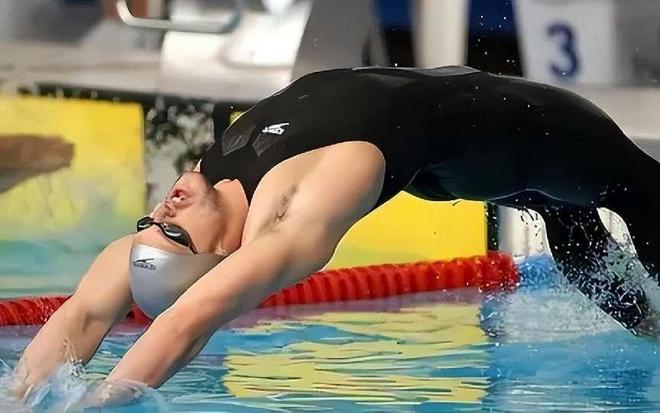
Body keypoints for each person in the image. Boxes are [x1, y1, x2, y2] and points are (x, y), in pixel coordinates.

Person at [12, 66, 660, 402]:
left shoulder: (212, 185)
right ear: (223, 257)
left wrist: (20, 398)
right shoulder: (297, 213)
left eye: (149, 223)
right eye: (175, 234)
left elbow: (88, 310)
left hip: (477, 117)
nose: (164, 208)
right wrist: (105, 403)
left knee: (575, 223)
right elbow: (184, 321)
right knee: (640, 192)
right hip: (530, 134)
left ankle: (649, 326)